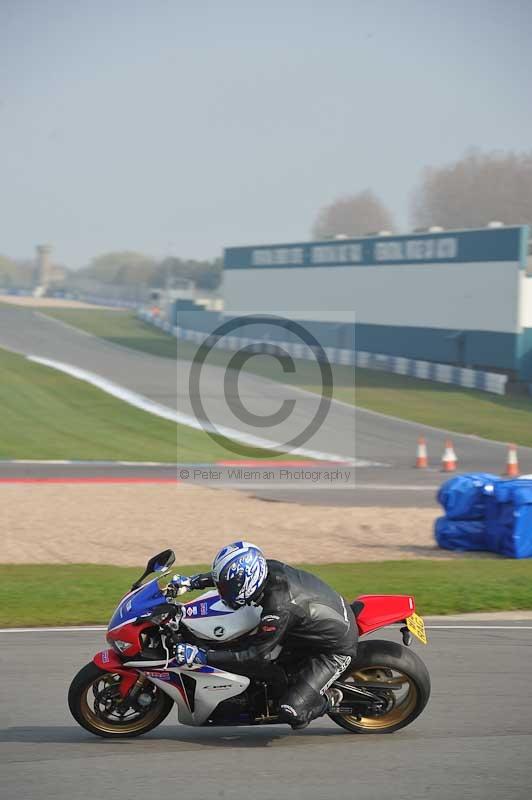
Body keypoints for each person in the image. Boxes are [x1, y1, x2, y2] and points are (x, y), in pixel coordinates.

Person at [171, 541, 358, 729]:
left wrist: (203, 656)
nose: (223, 592)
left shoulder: (277, 609)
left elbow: (256, 654)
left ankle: (330, 699)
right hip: (313, 624)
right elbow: (231, 578)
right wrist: (193, 582)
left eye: (226, 589)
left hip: (334, 649)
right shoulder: (264, 569)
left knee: (291, 710)